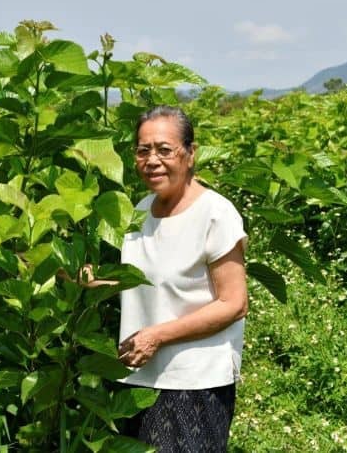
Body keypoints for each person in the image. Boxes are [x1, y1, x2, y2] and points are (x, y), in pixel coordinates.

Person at [109, 105, 248, 452]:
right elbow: (145, 283)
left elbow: (234, 304)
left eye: (164, 150)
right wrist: (91, 280)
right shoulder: (140, 210)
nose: (152, 160)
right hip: (141, 376)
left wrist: (156, 336)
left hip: (194, 381)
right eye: (143, 151)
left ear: (190, 153)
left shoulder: (215, 213)